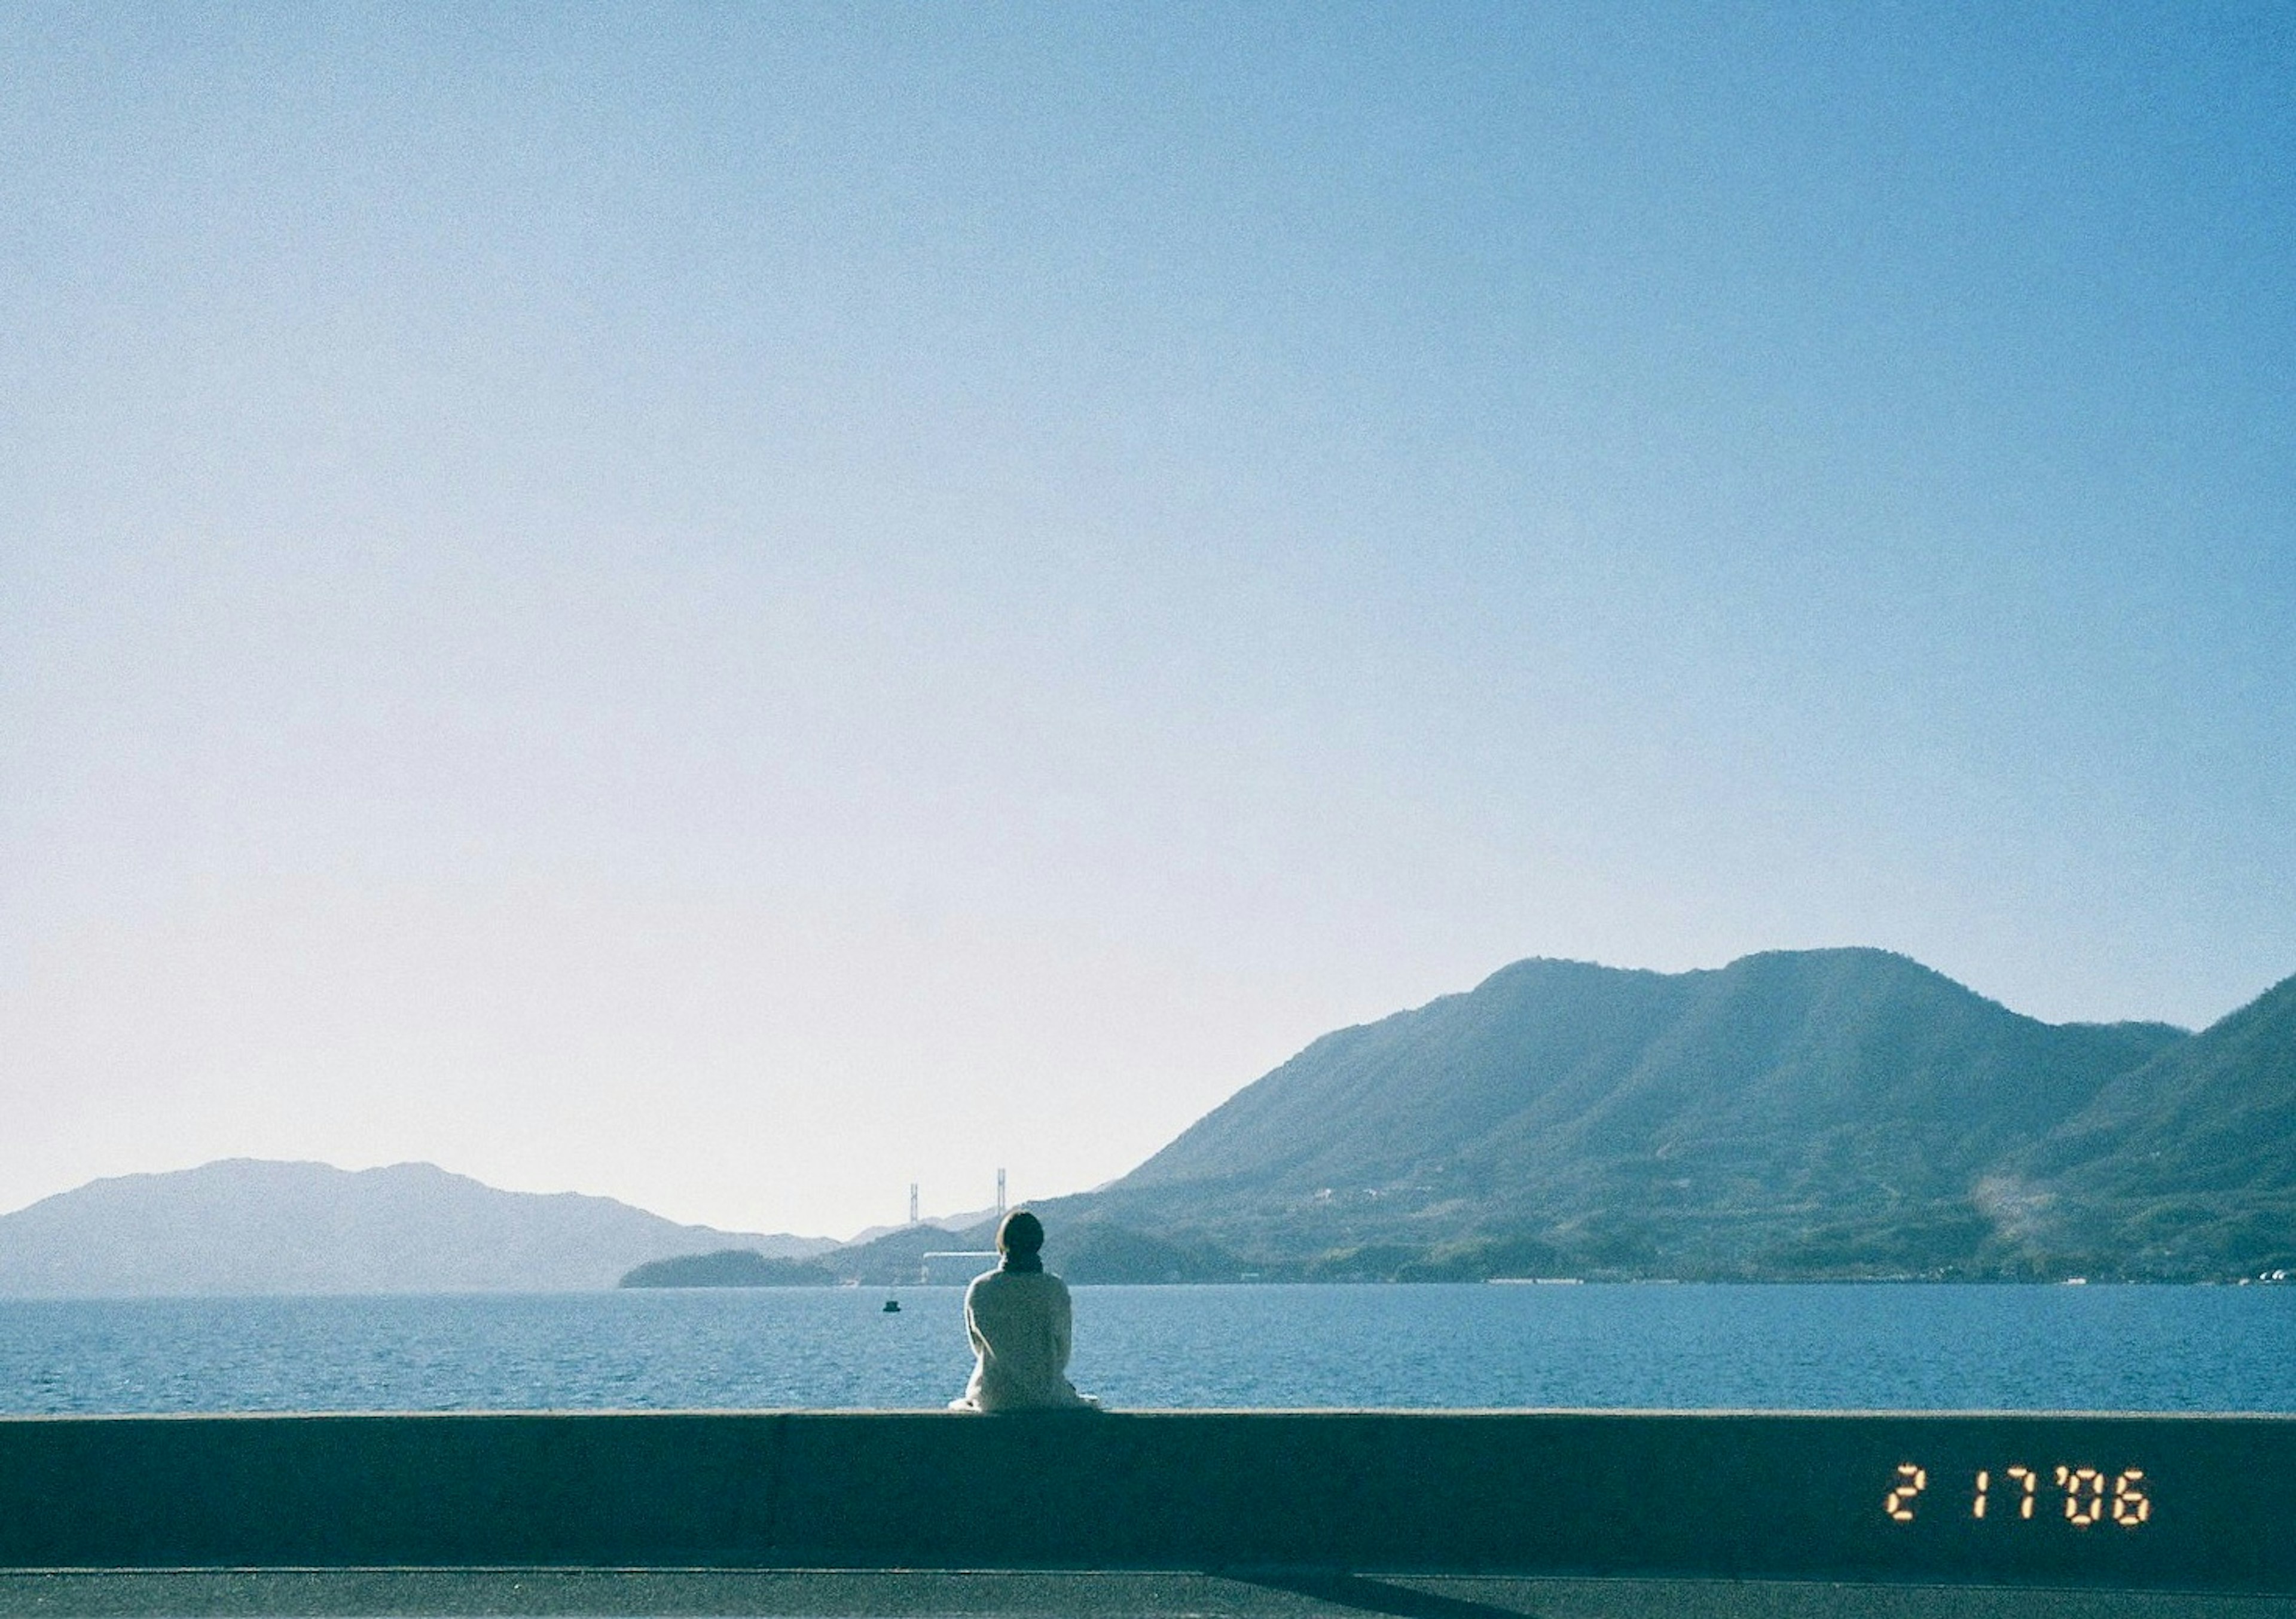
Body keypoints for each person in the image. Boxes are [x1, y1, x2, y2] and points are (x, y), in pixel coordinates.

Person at [948, 1209, 1099, 1412]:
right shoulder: (1054, 1289)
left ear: (1002, 1243)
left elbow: (978, 1347)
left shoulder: (981, 1288)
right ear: (1038, 1243)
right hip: (1048, 1397)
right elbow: (1062, 1353)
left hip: (993, 1399)